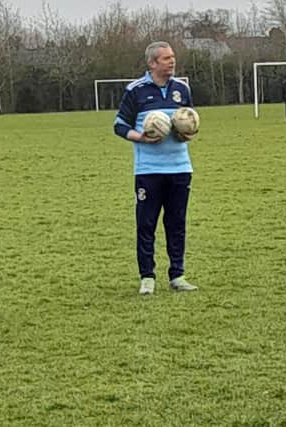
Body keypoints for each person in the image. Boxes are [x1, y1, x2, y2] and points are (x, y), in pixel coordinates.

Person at [113, 41, 198, 295]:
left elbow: (190, 122)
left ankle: (177, 275)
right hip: (148, 170)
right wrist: (141, 137)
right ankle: (147, 277)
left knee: (177, 223)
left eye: (173, 57)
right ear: (152, 63)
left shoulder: (182, 90)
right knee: (146, 223)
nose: (171, 61)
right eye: (165, 58)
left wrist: (187, 135)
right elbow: (119, 125)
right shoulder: (135, 90)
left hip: (180, 167)